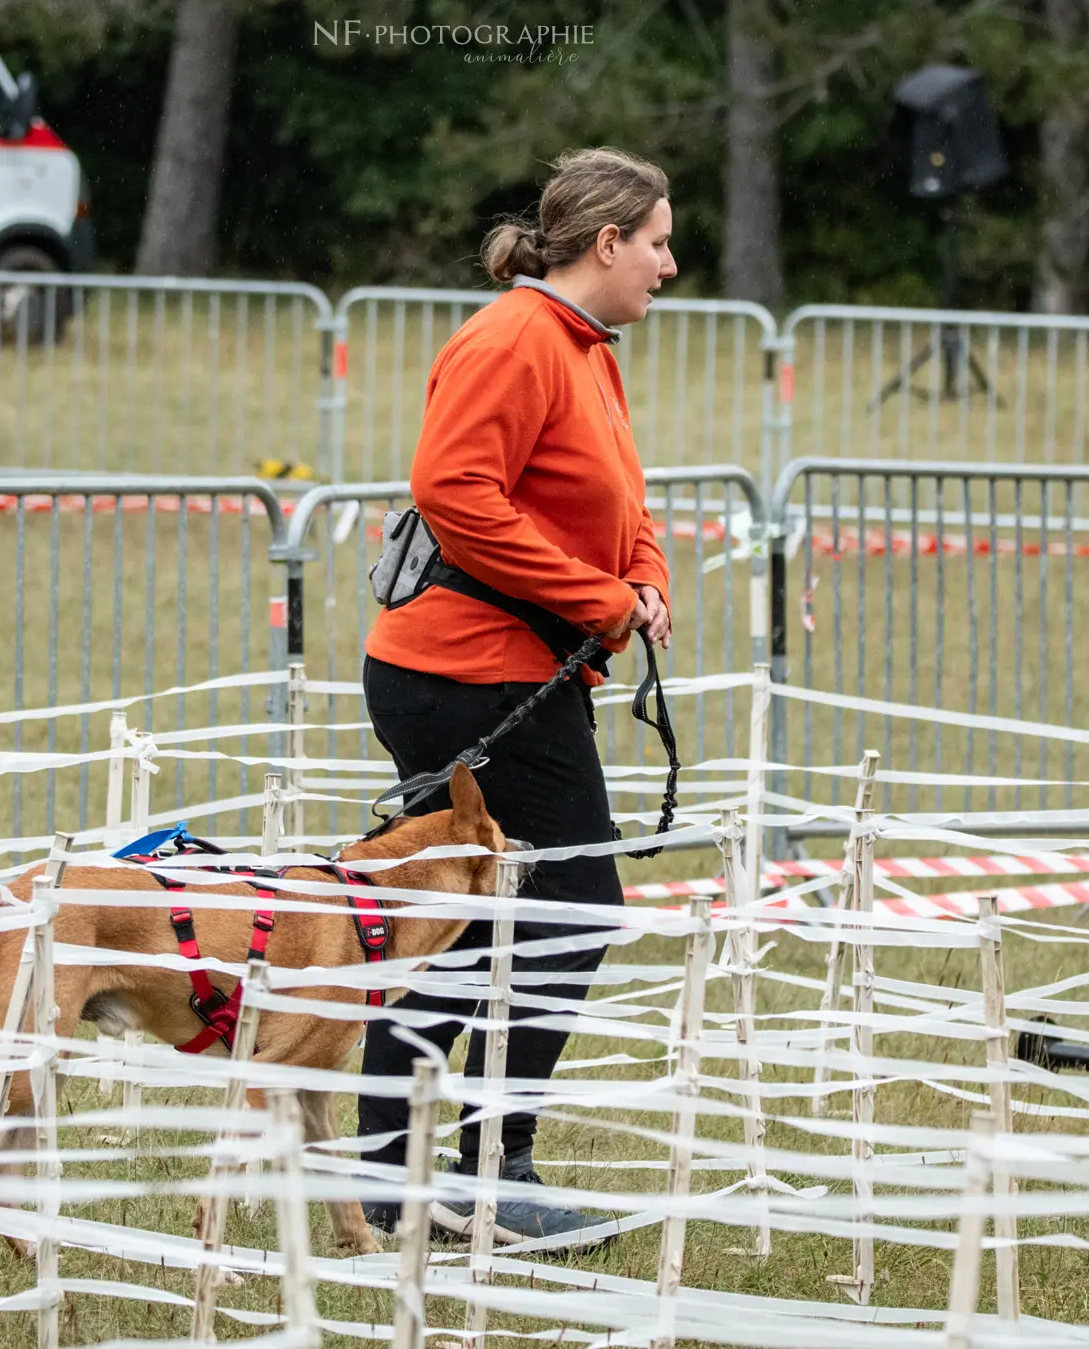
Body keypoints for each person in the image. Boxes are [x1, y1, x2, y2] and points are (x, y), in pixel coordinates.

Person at [354, 146, 677, 1247]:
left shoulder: (588, 348)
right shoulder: (509, 338)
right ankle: (466, 1171)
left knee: (516, 914)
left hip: (522, 668)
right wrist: (598, 596)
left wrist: (642, 580)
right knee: (570, 905)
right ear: (605, 243)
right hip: (456, 674)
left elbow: (620, 495)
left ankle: (411, 1165)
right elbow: (454, 493)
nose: (667, 265)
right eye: (656, 242)